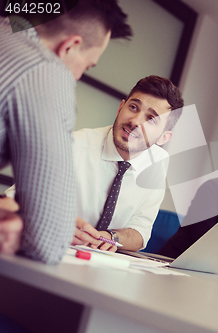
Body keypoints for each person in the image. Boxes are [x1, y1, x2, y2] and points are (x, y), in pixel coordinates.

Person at [0, 0, 132, 263]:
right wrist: (45, 222)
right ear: (69, 47)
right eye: (87, 66)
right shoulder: (44, 69)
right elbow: (47, 242)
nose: (79, 77)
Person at [7, 76, 184, 252]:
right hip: (47, 250)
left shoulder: (157, 162)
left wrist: (110, 237)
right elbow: (12, 202)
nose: (135, 121)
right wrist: (52, 224)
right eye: (133, 107)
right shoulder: (71, 146)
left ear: (163, 137)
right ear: (120, 107)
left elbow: (141, 231)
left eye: (151, 119)